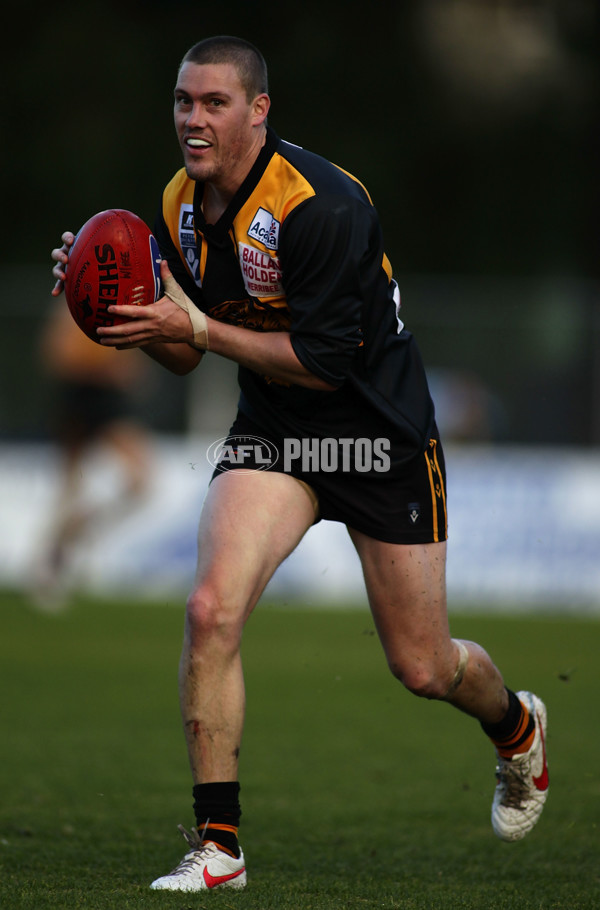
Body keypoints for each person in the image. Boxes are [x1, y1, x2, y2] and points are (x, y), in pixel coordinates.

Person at [51, 35, 549, 891]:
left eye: (213, 102)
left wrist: (199, 330)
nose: (193, 118)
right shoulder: (178, 202)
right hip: (276, 432)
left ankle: (516, 730)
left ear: (258, 111)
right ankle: (220, 847)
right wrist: (115, 312)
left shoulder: (321, 206)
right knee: (210, 610)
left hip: (378, 434)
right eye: (182, 101)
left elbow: (326, 362)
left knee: (423, 666)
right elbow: (181, 352)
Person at [32, 296, 152, 610]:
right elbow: (59, 355)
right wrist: (107, 365)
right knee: (73, 486)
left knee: (136, 484)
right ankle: (54, 558)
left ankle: (66, 542)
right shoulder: (74, 302)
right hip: (84, 395)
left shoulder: (123, 299)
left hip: (104, 398)